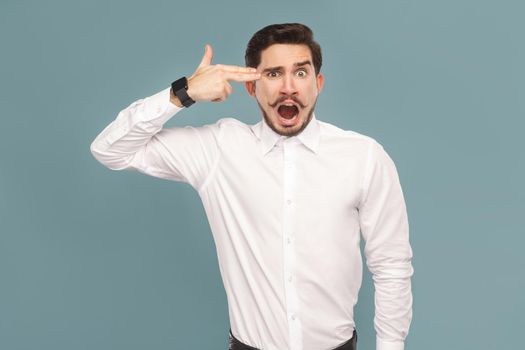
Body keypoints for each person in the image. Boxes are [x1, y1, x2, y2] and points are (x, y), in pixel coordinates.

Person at [90, 23, 413, 350]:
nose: (288, 87)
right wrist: (183, 92)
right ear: (251, 87)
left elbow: (391, 264)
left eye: (300, 74)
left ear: (318, 84)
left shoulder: (364, 157)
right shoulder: (218, 149)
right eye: (273, 74)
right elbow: (110, 149)